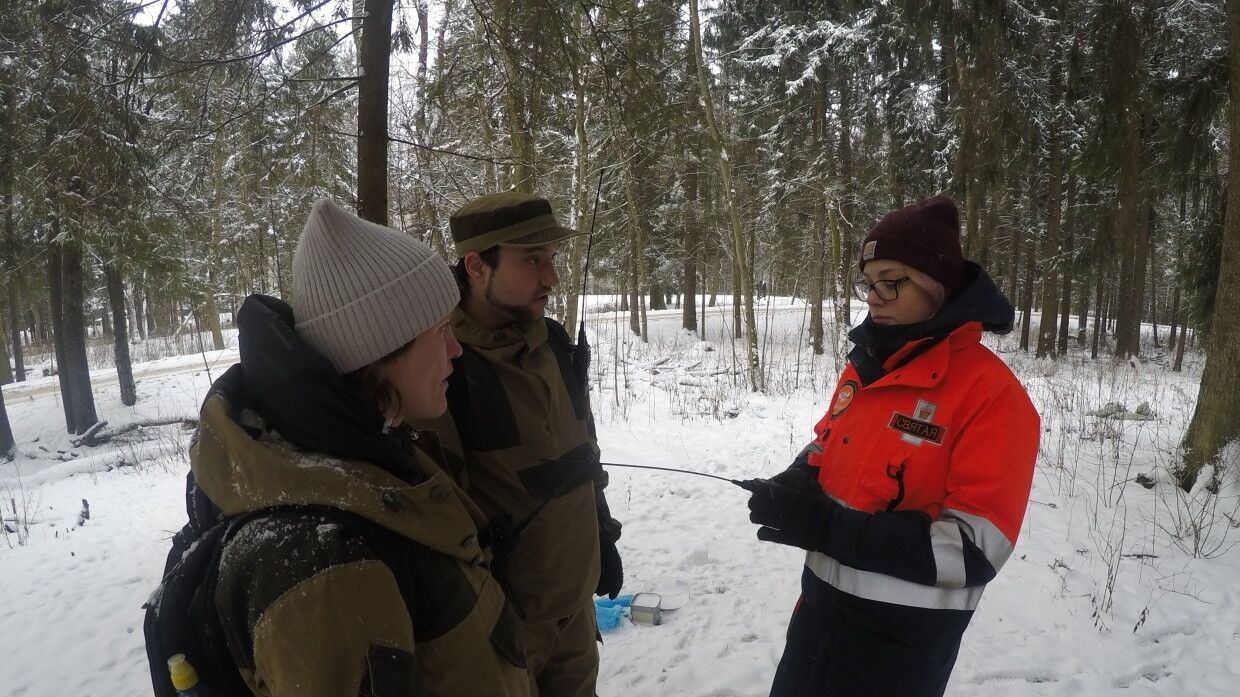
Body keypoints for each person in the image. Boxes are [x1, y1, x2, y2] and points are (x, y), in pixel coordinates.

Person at [188, 199, 531, 697]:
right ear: (379, 351)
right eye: (440, 332)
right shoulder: (325, 562)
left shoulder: (374, 460)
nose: (457, 349)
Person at [743, 195, 1040, 697]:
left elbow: (974, 551)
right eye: (868, 282)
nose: (874, 297)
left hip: (899, 651)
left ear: (936, 287)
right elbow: (828, 443)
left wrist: (828, 527)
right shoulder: (865, 367)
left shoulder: (992, 396)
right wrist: (799, 478)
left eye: (891, 281)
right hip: (817, 621)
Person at [417, 190, 622, 697]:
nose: (551, 277)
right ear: (476, 266)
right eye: (533, 259)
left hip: (574, 612)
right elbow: (436, 521)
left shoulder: (552, 341)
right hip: (503, 633)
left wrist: (602, 536)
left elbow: (582, 456)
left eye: (552, 259)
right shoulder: (445, 365)